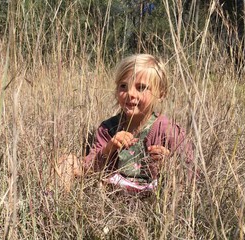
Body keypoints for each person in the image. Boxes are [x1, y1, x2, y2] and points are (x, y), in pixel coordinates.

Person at [82, 53, 194, 194]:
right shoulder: (109, 128)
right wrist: (109, 148)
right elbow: (90, 167)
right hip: (113, 194)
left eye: (141, 87)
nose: (130, 93)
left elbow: (191, 174)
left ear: (161, 94)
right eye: (123, 86)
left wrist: (168, 164)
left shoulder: (169, 131)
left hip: (151, 197)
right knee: (67, 162)